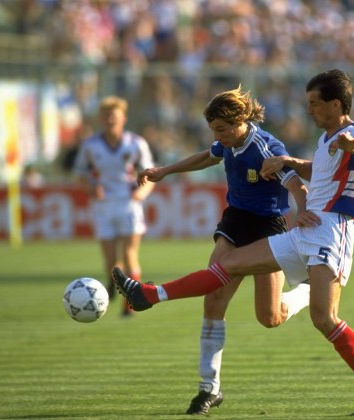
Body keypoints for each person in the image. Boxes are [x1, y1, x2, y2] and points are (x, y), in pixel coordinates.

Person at [114, 69, 354, 416]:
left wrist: (350, 149)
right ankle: (149, 296)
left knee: (319, 318)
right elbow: (317, 171)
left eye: (314, 103)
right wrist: (292, 163)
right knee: (224, 271)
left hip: (328, 230)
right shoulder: (325, 139)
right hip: (292, 229)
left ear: (335, 104)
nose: (308, 109)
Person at [137, 85, 311, 415]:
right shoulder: (228, 142)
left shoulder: (266, 147)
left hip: (268, 228)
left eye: (221, 129)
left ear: (239, 121)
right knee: (213, 297)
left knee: (269, 317)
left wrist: (302, 212)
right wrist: (165, 171)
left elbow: (295, 185)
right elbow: (208, 156)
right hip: (235, 222)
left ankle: (305, 290)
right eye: (213, 130)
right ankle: (209, 388)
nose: (218, 137)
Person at [73, 96, 155, 316]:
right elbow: (80, 174)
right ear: (101, 119)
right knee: (111, 261)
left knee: (129, 254)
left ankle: (130, 303)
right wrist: (91, 189)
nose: (111, 120)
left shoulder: (136, 143)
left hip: (128, 204)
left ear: (123, 118)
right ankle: (112, 283)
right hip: (103, 205)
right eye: (107, 116)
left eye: (115, 116)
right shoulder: (90, 145)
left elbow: (150, 174)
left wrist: (141, 193)